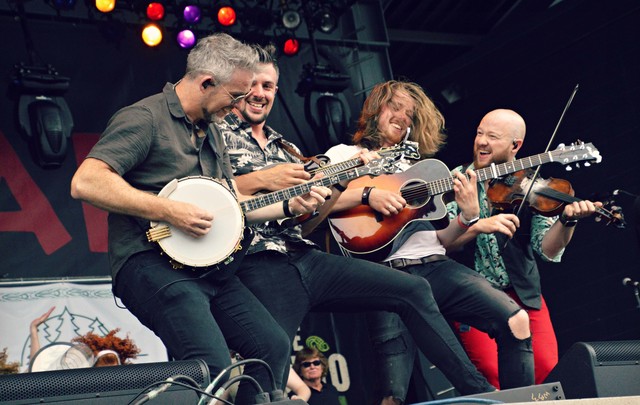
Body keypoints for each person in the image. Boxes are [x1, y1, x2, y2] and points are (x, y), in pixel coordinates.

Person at [217, 45, 496, 397]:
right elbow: (216, 195)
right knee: (268, 363)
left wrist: (337, 182)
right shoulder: (217, 136)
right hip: (259, 262)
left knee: (412, 290)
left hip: (304, 256)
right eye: (254, 84)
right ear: (238, 85)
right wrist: (363, 195)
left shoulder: (285, 148)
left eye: (269, 86)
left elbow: (308, 223)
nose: (260, 94)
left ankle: (480, 394)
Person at [70, 33, 330, 404]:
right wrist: (169, 210)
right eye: (235, 95)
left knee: (270, 346)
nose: (240, 104)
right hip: (148, 264)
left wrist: (290, 205)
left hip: (209, 269)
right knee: (210, 365)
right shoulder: (145, 118)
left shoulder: (212, 132)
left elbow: (229, 203)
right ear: (207, 82)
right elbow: (86, 182)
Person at [322, 82, 534, 404]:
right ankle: (484, 396)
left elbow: (441, 239)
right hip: (383, 276)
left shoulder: (419, 171)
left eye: (411, 113)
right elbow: (315, 201)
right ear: (376, 109)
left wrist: (466, 218)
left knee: (516, 321)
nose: (403, 117)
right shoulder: (345, 155)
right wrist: (369, 194)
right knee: (392, 395)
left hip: (435, 265)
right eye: (395, 107)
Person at [445, 108, 600, 387]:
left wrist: (566, 220)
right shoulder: (457, 180)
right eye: (480, 133)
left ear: (515, 146)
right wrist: (474, 223)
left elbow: (547, 250)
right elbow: (443, 243)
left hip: (523, 294)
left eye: (492, 137)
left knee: (547, 373)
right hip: (472, 295)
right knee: (491, 376)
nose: (481, 141)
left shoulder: (531, 184)